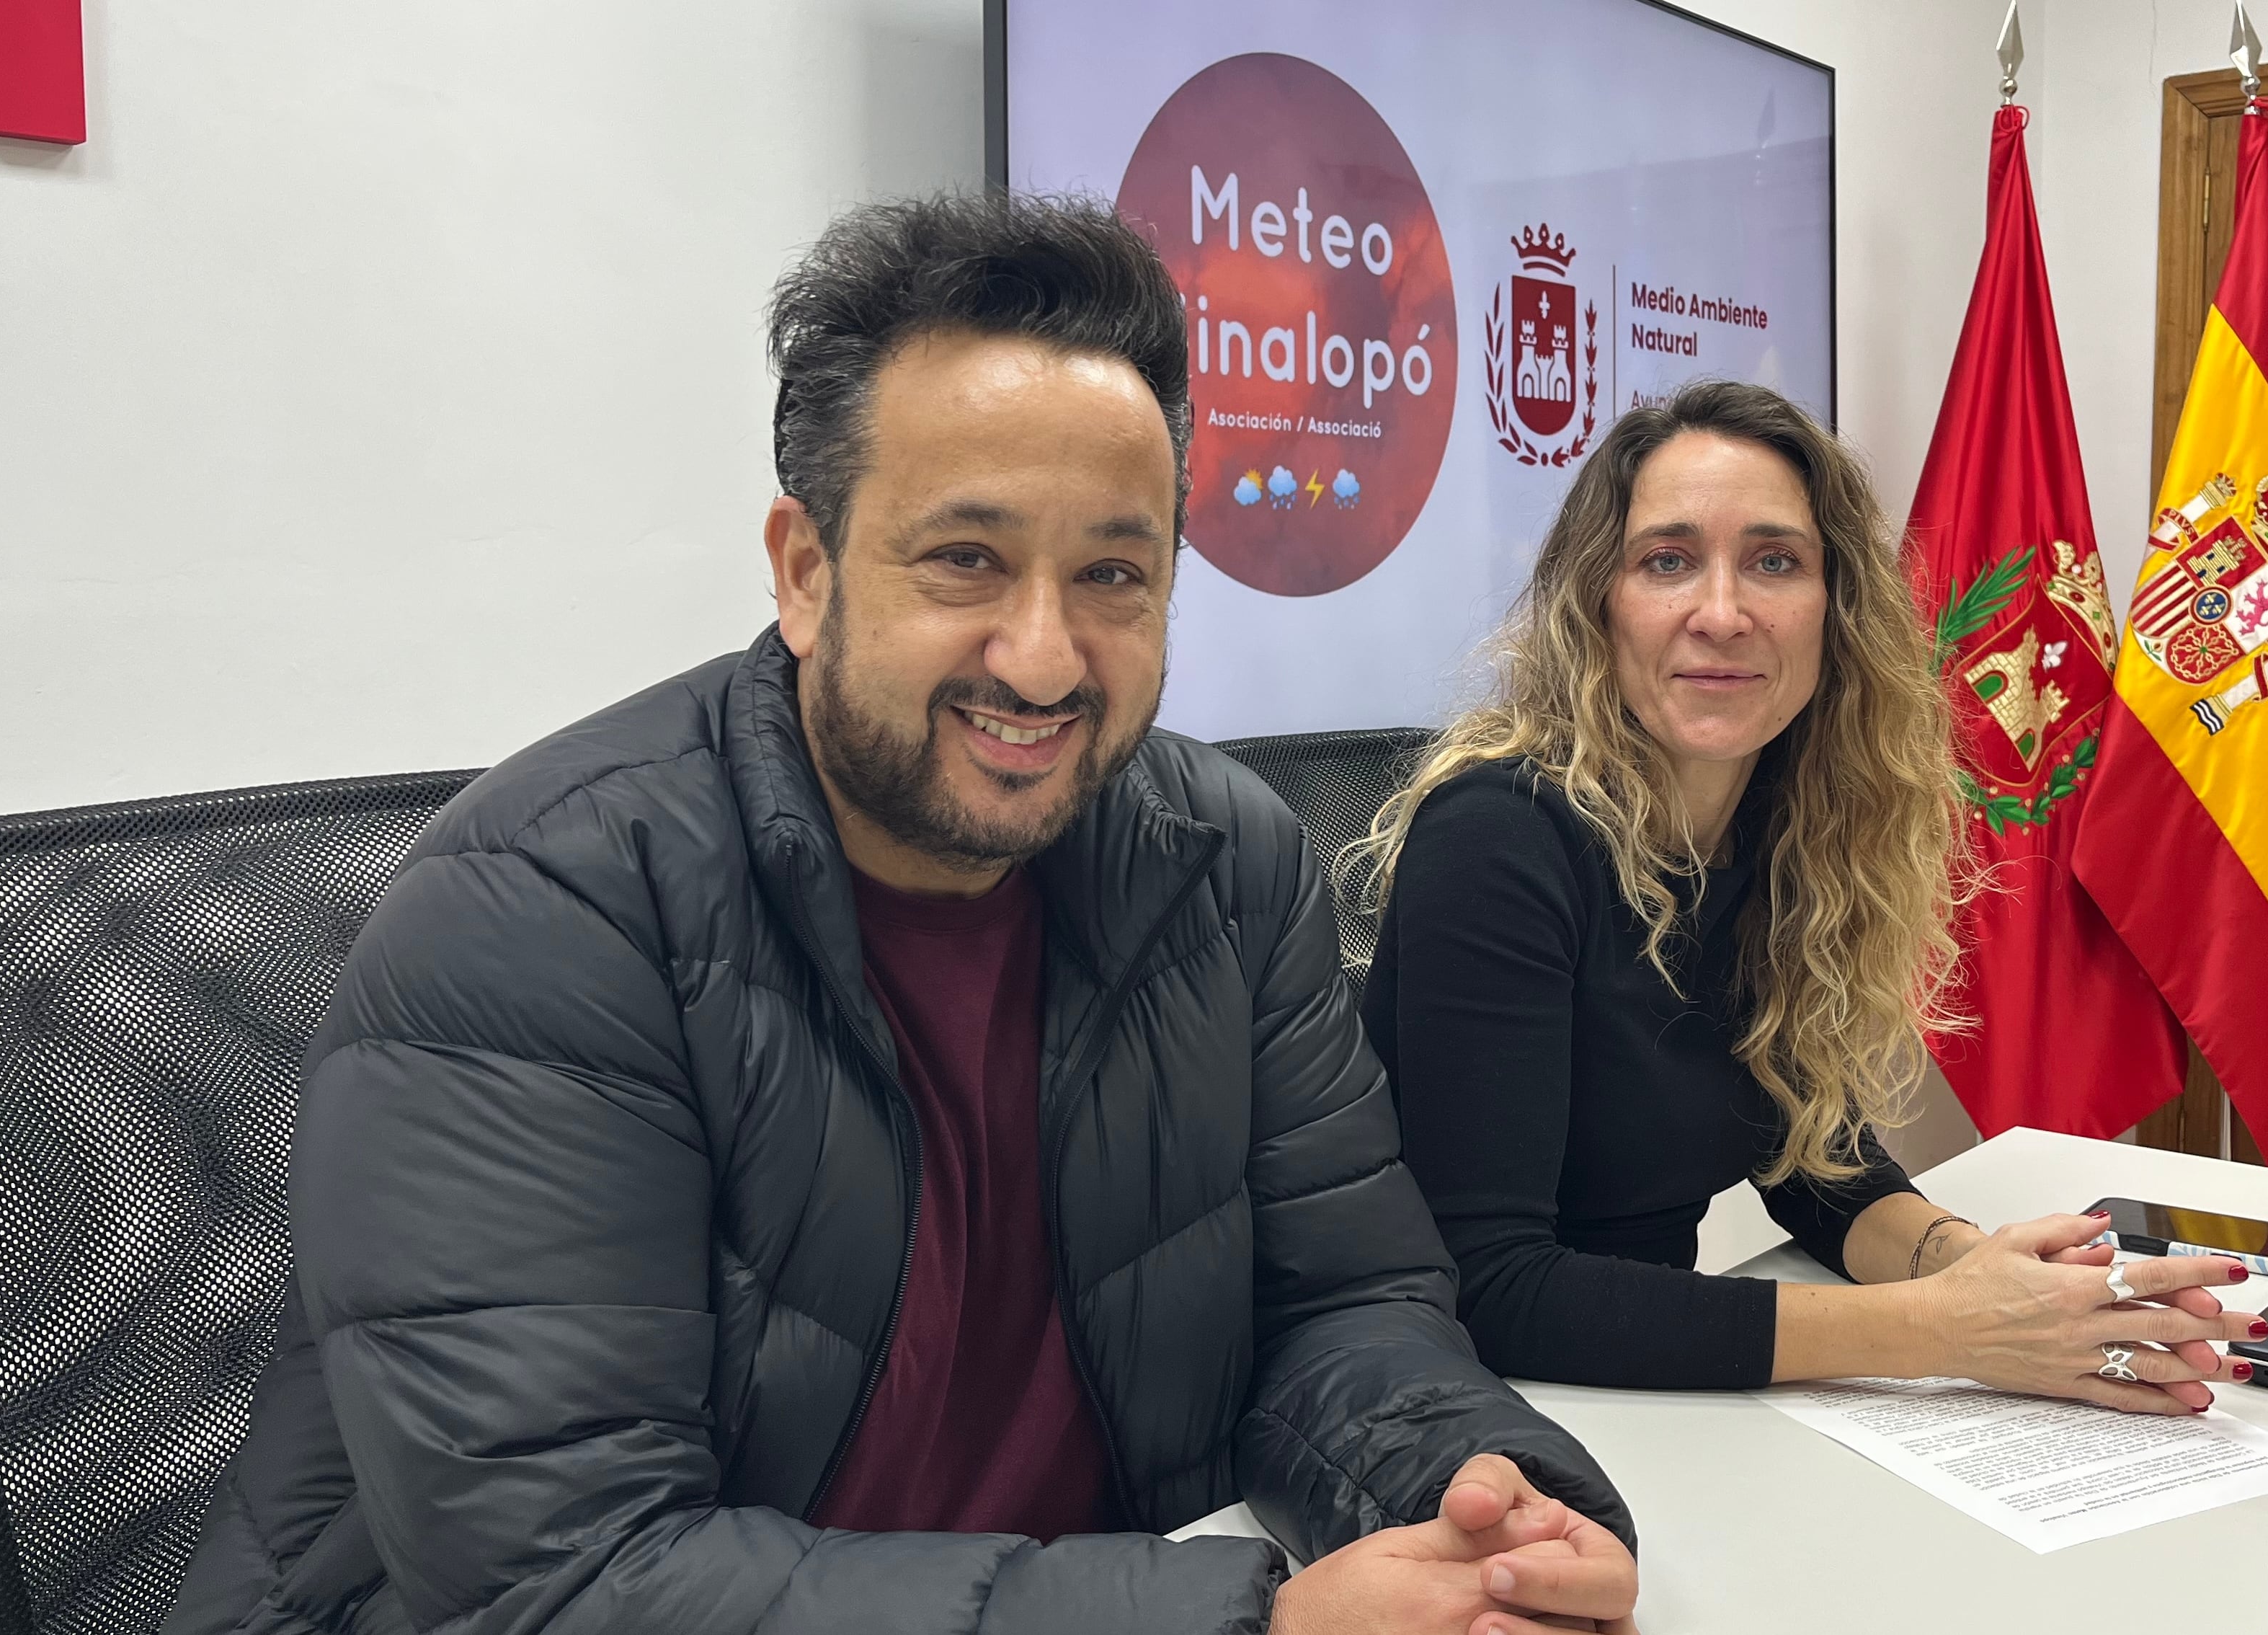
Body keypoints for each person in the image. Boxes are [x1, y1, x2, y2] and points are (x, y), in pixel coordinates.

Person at [168, 192, 1639, 1635]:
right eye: (966, 560)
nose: (1047, 657)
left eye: (1114, 575)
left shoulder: (1231, 867)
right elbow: (564, 1579)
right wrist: (1249, 1623)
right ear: (806, 574)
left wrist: (1480, 1507)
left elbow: (1348, 1303)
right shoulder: (541, 915)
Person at [1357, 380, 2265, 1408]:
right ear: (1595, 602)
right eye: (1667, 561)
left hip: (1655, 1398)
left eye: (1775, 562)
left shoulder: (1790, 830)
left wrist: (1998, 1276)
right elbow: (1493, 1289)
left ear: (1835, 611)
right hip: (1473, 1405)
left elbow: (1812, 1166)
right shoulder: (1498, 838)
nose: (1723, 612)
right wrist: (1949, 1330)